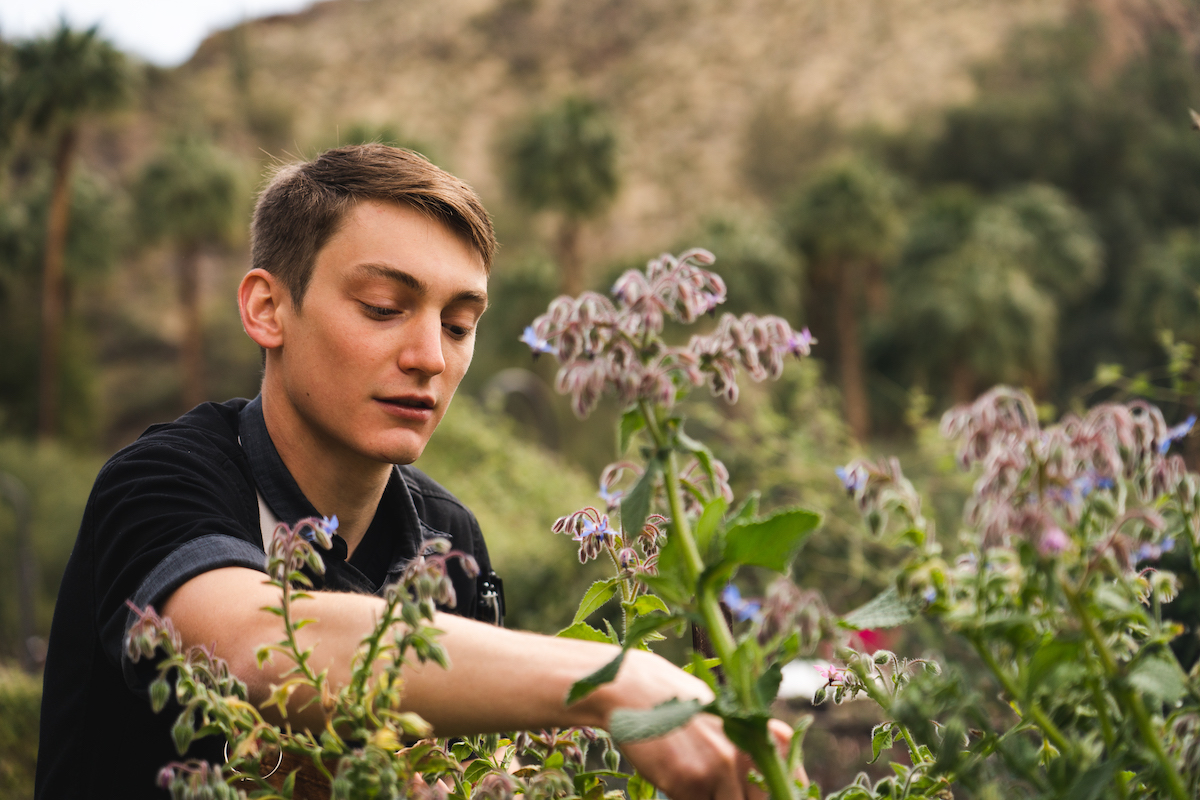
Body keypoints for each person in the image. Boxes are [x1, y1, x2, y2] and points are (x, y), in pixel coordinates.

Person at [36, 144, 794, 799]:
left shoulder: (448, 541)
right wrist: (614, 680)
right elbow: (250, 642)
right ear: (268, 308)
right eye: (382, 307)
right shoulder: (164, 481)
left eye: (459, 324)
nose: (431, 357)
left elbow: (466, 765)